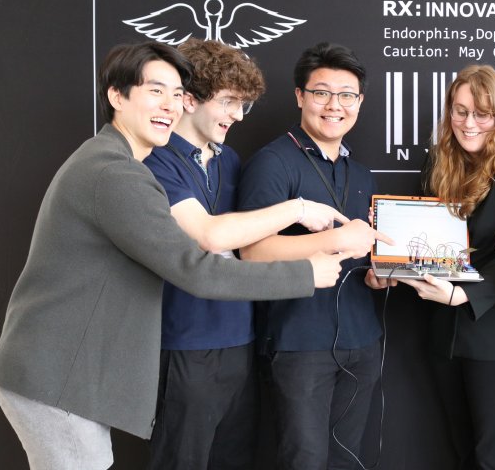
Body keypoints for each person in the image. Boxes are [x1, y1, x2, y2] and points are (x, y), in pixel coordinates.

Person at [0, 41, 347, 470]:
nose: (170, 105)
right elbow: (196, 268)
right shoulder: (116, 174)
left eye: (177, 94)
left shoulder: (115, 161)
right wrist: (306, 273)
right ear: (117, 96)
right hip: (55, 374)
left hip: (68, 371)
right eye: (156, 91)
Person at [142, 39, 347, 469]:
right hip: (184, 344)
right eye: (229, 102)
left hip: (242, 342)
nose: (237, 115)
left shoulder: (230, 160)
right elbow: (211, 237)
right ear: (190, 99)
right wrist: (297, 209)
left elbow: (247, 245)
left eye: (243, 105)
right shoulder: (156, 162)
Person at [238, 42, 392, 470]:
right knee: (303, 460)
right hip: (299, 343)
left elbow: (364, 255)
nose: (334, 105)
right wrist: (336, 242)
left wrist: (380, 273)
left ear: (359, 102)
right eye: (322, 92)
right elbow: (251, 251)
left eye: (346, 95)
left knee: (348, 460)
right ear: (300, 96)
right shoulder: (272, 163)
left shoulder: (360, 174)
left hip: (362, 339)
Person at [395, 64, 495, 469]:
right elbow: (419, 239)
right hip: (445, 332)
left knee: (494, 454)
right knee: (461, 450)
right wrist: (391, 268)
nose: (468, 122)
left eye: (481, 114)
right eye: (459, 111)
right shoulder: (438, 163)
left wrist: (463, 293)